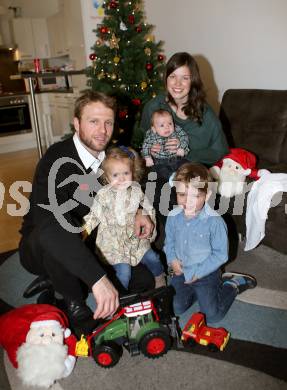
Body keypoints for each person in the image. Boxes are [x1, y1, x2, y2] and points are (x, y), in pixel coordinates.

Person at [19, 90, 155, 330]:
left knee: (143, 280)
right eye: (93, 121)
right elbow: (48, 224)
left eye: (108, 123)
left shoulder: (112, 158)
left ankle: (58, 282)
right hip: (42, 245)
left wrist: (139, 210)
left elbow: (135, 184)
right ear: (76, 123)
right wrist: (98, 279)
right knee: (57, 228)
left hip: (92, 240)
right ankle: (74, 302)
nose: (102, 131)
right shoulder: (55, 160)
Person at [164, 162, 257, 323]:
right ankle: (196, 294)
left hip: (206, 273)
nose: (188, 201)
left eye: (195, 196)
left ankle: (232, 285)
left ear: (206, 196)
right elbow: (169, 242)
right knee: (175, 307)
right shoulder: (173, 216)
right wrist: (172, 260)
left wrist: (197, 273)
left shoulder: (215, 221)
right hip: (181, 272)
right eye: (182, 195)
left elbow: (221, 255)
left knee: (212, 316)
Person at [83, 145, 166, 291]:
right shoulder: (103, 195)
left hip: (136, 240)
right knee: (124, 272)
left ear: (133, 173)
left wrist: (146, 215)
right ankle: (119, 297)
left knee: (153, 258)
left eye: (126, 173)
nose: (121, 179)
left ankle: (159, 278)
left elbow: (148, 209)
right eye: (115, 175)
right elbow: (94, 214)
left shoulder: (136, 191)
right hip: (114, 245)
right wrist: (85, 229)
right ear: (107, 177)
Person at [140, 52, 229, 168]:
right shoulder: (153, 107)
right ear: (166, 78)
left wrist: (186, 151)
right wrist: (150, 150)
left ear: (193, 81)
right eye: (172, 76)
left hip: (194, 178)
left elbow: (221, 152)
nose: (177, 83)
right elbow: (142, 142)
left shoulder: (206, 114)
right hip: (158, 174)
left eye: (185, 78)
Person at [141, 109, 189, 181]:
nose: (167, 127)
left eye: (170, 123)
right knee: (160, 172)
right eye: (162, 125)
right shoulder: (151, 135)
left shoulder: (177, 130)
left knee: (186, 165)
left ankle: (185, 178)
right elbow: (145, 146)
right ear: (154, 129)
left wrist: (181, 147)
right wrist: (148, 158)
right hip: (160, 161)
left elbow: (184, 137)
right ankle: (172, 180)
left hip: (177, 158)